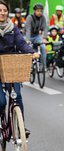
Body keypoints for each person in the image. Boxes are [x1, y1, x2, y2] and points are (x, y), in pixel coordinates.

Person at [0, 0, 38, 135]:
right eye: (0, 10)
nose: (2, 13)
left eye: (4, 10)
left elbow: (21, 44)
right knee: (1, 101)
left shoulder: (13, 28)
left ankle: (20, 127)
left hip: (11, 66)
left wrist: (32, 52)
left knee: (17, 97)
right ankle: (1, 122)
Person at [25, 3, 48, 70]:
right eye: (38, 11)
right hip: (29, 36)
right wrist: (27, 40)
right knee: (28, 49)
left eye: (41, 11)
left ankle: (43, 65)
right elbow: (28, 29)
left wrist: (44, 38)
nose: (39, 12)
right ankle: (28, 65)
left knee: (43, 47)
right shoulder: (30, 17)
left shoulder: (43, 17)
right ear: (34, 11)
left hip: (37, 36)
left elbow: (45, 28)